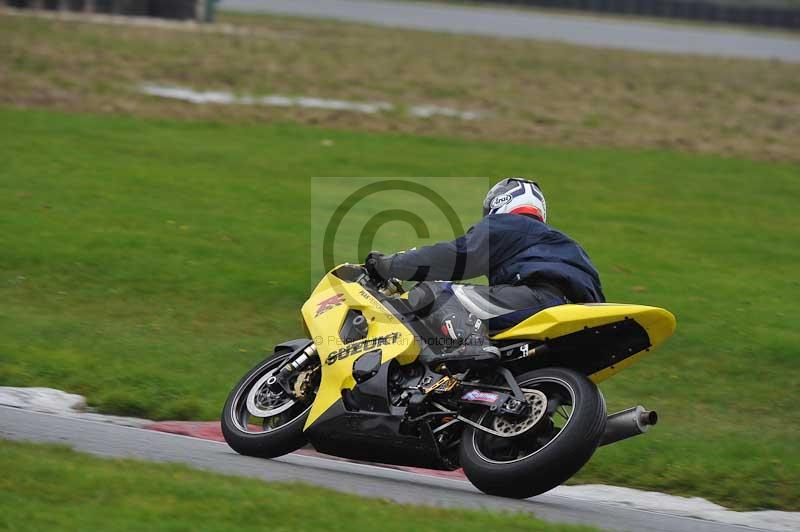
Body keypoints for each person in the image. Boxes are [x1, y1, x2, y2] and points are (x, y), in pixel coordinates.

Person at [365, 178, 604, 368]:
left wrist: (390, 264)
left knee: (436, 291)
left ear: (499, 202)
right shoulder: (570, 246)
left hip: (533, 301)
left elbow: (456, 257)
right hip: (574, 321)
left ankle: (471, 347)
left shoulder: (507, 224)